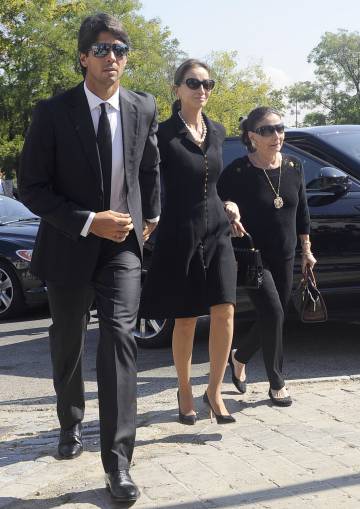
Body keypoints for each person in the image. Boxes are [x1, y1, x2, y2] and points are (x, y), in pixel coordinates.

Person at [18, 13, 160, 502]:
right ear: (83, 57)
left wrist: (151, 216)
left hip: (122, 246)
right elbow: (31, 187)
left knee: (119, 336)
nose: (112, 58)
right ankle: (70, 422)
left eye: (120, 49)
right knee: (68, 342)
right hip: (68, 242)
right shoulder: (52, 112)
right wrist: (86, 219)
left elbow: (149, 165)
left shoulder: (142, 107)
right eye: (102, 49)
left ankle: (118, 464)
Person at [140, 59, 237, 425]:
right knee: (184, 320)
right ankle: (183, 388)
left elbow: (215, 183)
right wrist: (149, 218)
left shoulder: (218, 130)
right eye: (193, 83)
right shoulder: (162, 134)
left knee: (225, 309)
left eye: (208, 84)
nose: (202, 90)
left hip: (217, 231)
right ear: (176, 88)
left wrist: (230, 204)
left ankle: (214, 389)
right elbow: (147, 180)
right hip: (179, 231)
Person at [218, 106, 316, 407]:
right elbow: (215, 198)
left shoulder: (294, 166)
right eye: (267, 130)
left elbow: (302, 212)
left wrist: (307, 250)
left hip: (285, 255)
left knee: (274, 314)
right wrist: (228, 206)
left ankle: (239, 357)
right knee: (273, 313)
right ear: (252, 136)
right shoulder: (237, 170)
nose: (277, 135)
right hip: (252, 256)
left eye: (280, 128)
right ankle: (277, 383)